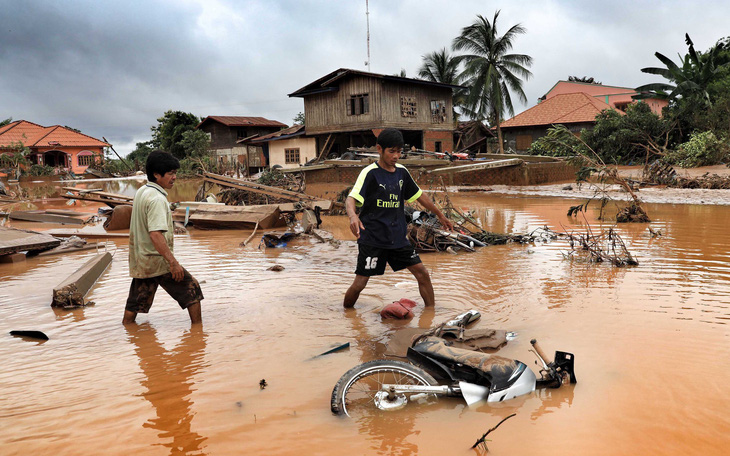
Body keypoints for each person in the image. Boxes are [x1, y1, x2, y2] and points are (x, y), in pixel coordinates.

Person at [344, 128, 454, 309]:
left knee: (422, 273)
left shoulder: (402, 172)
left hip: (397, 238)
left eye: (399, 151)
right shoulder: (370, 172)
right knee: (360, 283)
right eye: (391, 151)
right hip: (373, 238)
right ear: (379, 149)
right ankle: (347, 315)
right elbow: (351, 198)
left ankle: (430, 314)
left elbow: (419, 195)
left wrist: (440, 215)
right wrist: (353, 216)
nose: (396, 156)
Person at [123, 150, 203, 325]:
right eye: (170, 173)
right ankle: (198, 334)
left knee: (136, 303)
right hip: (158, 261)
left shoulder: (142, 191)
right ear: (156, 175)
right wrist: (173, 263)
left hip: (142, 260)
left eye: (175, 173)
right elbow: (155, 234)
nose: (174, 177)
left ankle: (128, 333)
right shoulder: (157, 199)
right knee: (192, 290)